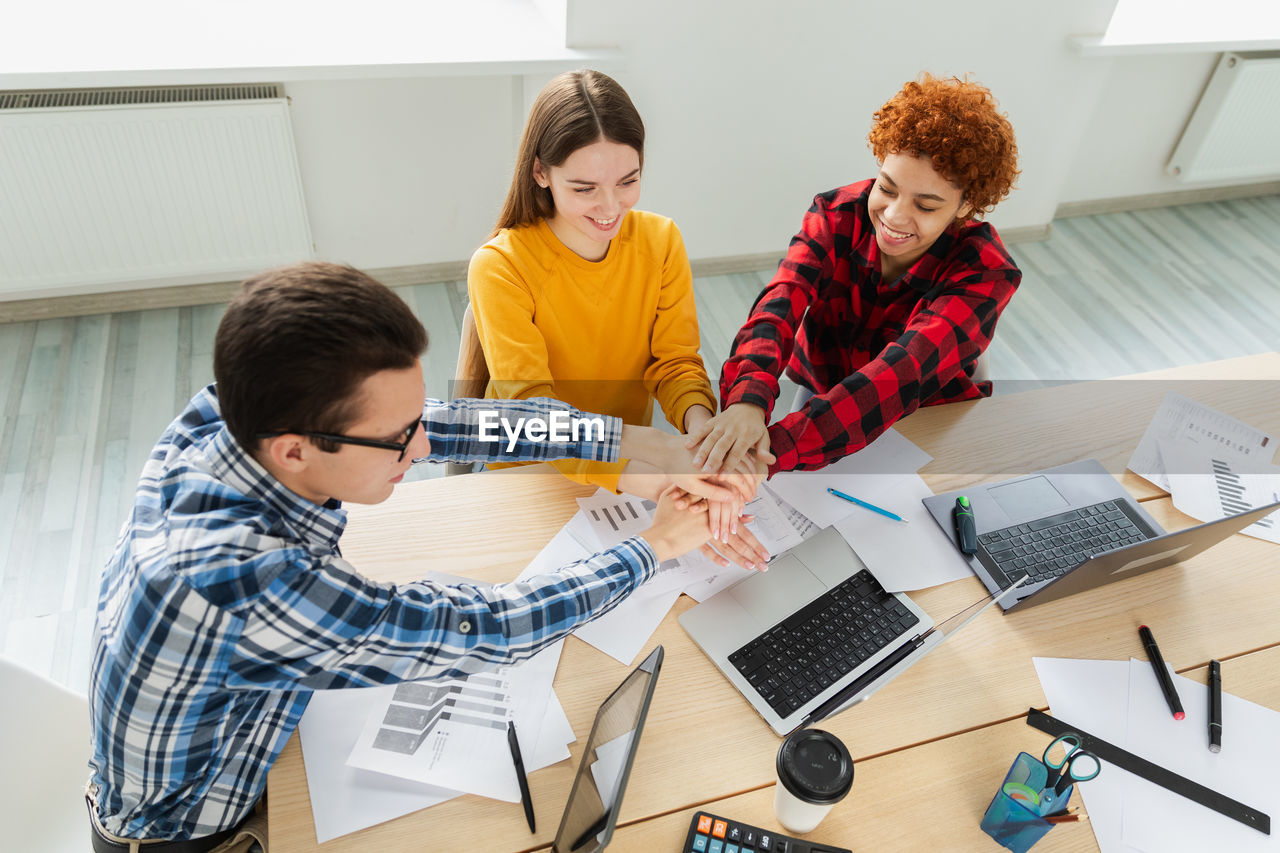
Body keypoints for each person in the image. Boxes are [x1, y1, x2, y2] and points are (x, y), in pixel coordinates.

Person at [86, 262, 745, 851]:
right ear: (294, 450)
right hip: (200, 827)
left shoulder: (227, 414)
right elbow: (493, 626)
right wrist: (655, 544)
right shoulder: (241, 579)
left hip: (251, 715)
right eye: (397, 439)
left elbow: (447, 421)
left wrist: (625, 443)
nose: (422, 447)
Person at [468, 69, 769, 549]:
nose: (610, 207)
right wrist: (669, 483)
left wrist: (702, 440)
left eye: (628, 181)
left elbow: (675, 363)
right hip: (534, 472)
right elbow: (536, 418)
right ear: (540, 173)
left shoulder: (660, 241)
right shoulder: (501, 265)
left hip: (626, 467)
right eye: (584, 188)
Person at [688, 74, 1021, 476]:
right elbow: (780, 303)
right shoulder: (834, 215)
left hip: (925, 414)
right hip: (826, 387)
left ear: (966, 207)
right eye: (888, 187)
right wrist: (747, 401)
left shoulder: (986, 271)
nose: (895, 215)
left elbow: (901, 373)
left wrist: (766, 452)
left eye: (927, 205)